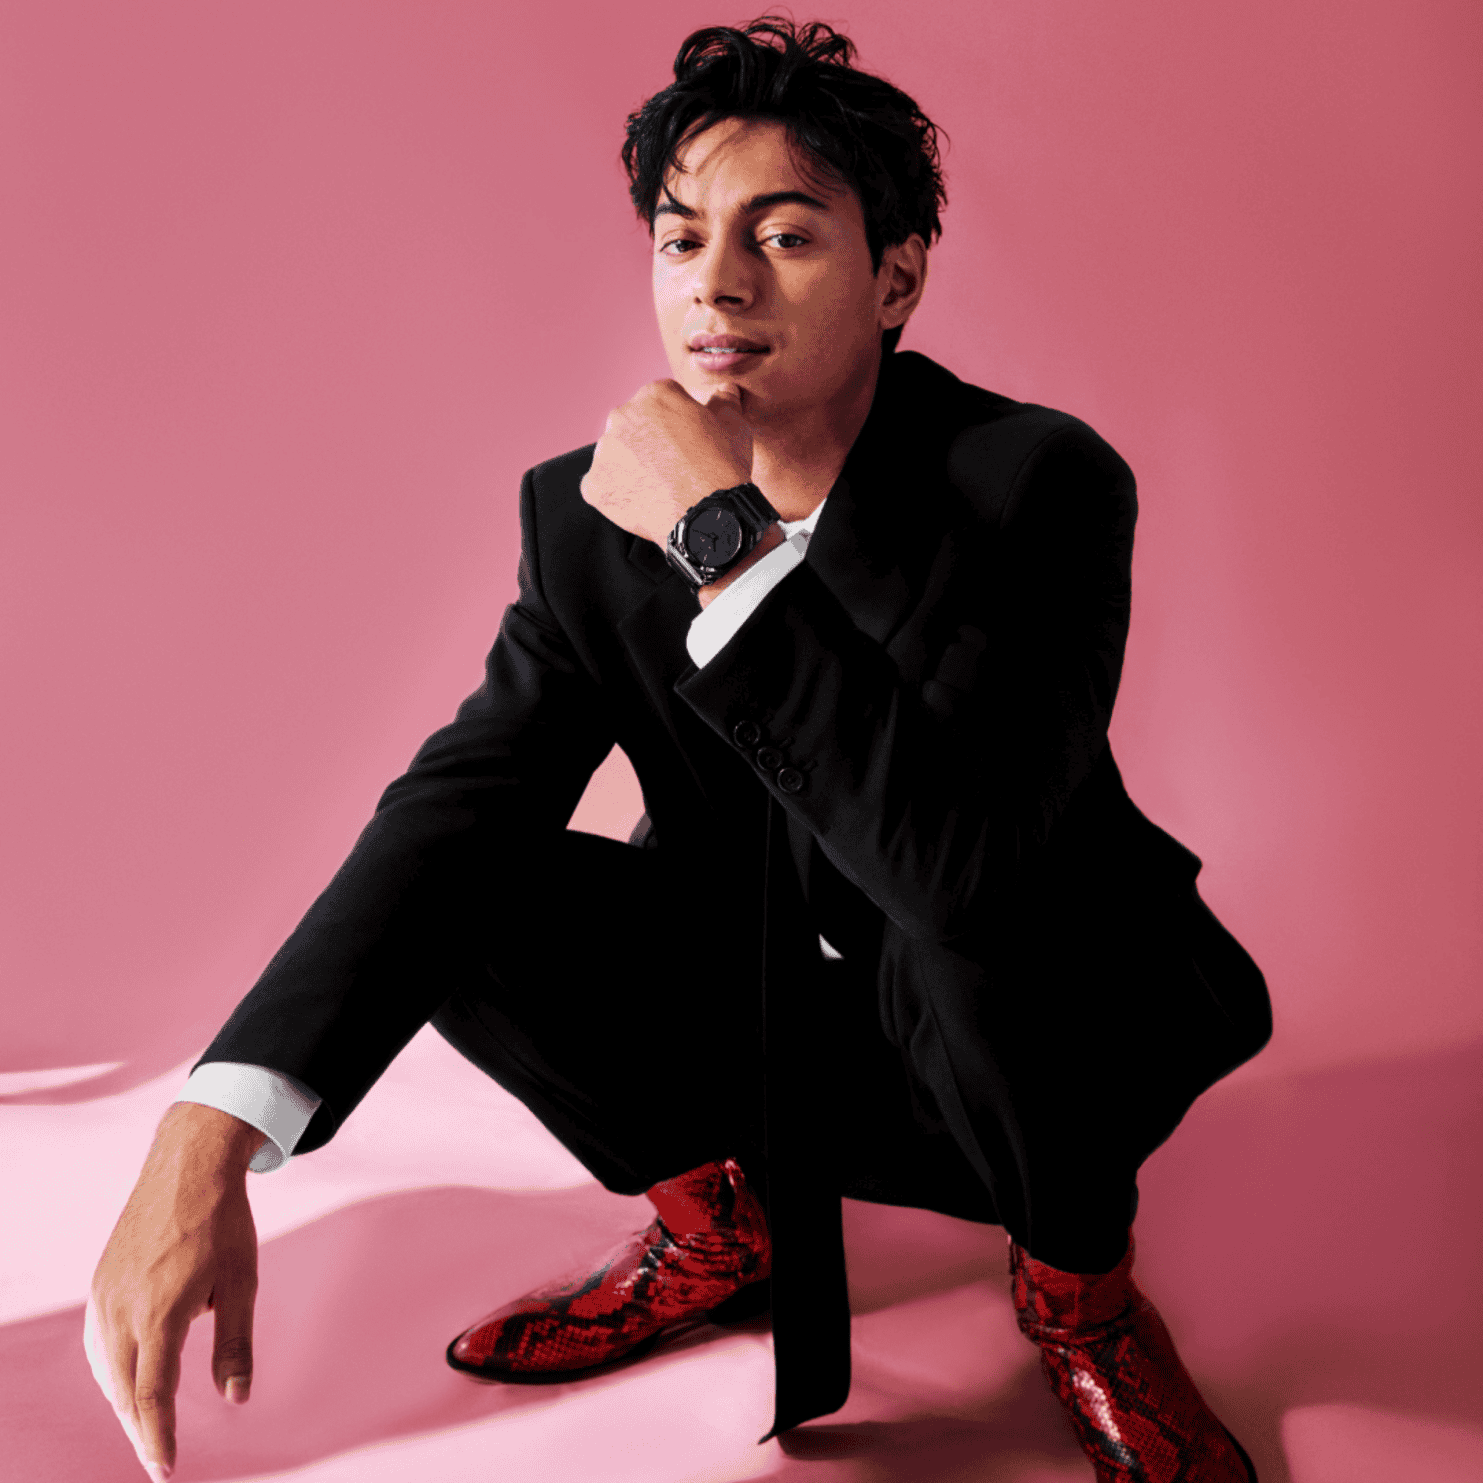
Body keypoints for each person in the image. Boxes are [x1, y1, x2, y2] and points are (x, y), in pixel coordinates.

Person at [86, 17, 1271, 1483]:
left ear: (896, 278)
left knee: (975, 914)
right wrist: (206, 1130)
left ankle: (1080, 1294)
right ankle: (726, 1232)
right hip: (770, 1018)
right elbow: (458, 803)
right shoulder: (584, 513)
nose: (716, 283)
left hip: (1030, 1031)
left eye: (784, 236)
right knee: (471, 882)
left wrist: (727, 543)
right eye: (680, 238)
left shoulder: (1034, 481)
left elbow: (951, 865)